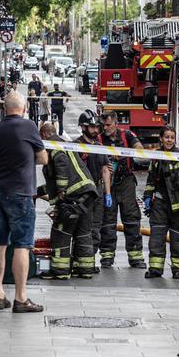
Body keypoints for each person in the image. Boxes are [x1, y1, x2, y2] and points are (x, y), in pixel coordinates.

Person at [0, 90, 46, 313]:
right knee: (22, 244)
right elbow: (43, 157)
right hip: (20, 194)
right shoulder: (28, 127)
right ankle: (21, 298)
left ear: (4, 109)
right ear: (23, 108)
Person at [37, 122, 98, 280]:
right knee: (83, 232)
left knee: (61, 232)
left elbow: (61, 168)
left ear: (43, 136)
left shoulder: (55, 148)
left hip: (73, 196)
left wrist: (62, 192)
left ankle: (60, 270)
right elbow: (54, 182)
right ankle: (84, 269)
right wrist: (37, 192)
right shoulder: (65, 144)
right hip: (87, 194)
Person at [97, 112, 147, 269]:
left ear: (116, 123)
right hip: (107, 183)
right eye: (103, 125)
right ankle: (106, 256)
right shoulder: (99, 139)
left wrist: (126, 153)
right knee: (107, 220)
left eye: (108, 125)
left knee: (131, 219)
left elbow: (139, 148)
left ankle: (136, 257)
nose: (105, 128)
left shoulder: (127, 135)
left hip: (126, 182)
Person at [145, 126, 179, 279]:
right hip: (160, 203)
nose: (169, 140)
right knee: (156, 237)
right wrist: (148, 195)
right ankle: (155, 269)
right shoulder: (156, 157)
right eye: (166, 137)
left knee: (177, 239)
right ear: (161, 138)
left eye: (172, 137)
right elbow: (151, 179)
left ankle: (178, 269)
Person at [74, 111, 107, 271]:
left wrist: (107, 193)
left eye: (96, 127)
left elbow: (105, 170)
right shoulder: (75, 146)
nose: (95, 130)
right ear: (83, 127)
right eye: (92, 127)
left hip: (98, 193)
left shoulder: (100, 147)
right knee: (82, 229)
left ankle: (89, 261)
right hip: (83, 195)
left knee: (95, 229)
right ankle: (80, 261)